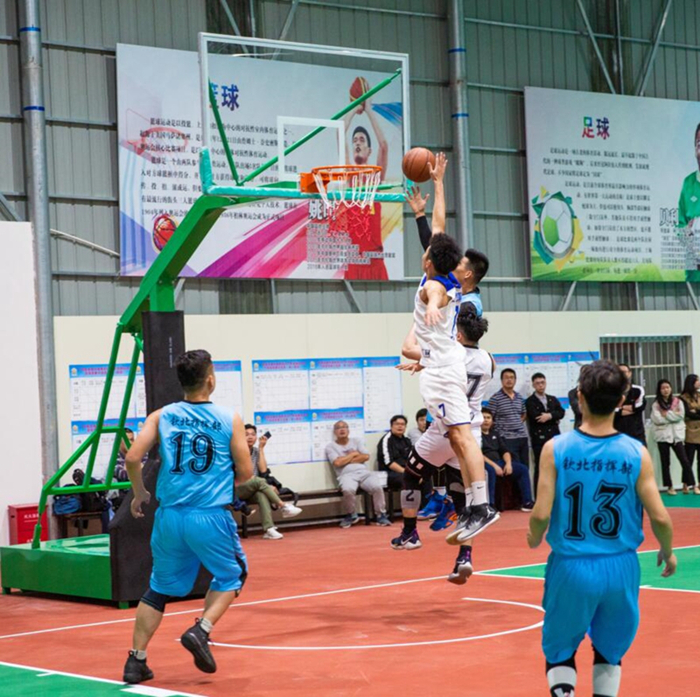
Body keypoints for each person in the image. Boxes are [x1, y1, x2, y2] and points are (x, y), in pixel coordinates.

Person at [528, 360, 676, 697]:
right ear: (622, 400)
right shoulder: (636, 452)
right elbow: (660, 517)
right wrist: (667, 551)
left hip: (571, 566)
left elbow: (540, 514)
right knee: (610, 651)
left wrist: (534, 537)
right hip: (620, 566)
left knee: (560, 650)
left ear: (579, 397)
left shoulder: (556, 448)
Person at [121, 350, 253, 685]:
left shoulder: (162, 415)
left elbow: (133, 457)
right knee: (233, 574)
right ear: (210, 380)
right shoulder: (229, 418)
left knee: (158, 588)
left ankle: (136, 660)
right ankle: (201, 630)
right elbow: (246, 473)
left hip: (169, 516)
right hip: (209, 515)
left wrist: (140, 493)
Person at [392, 307, 495, 584]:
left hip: (446, 430)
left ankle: (410, 533)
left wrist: (419, 320)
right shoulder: (489, 359)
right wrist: (425, 365)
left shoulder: (448, 354)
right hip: (472, 434)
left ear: (457, 335)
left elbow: (407, 349)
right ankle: (464, 557)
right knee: (465, 500)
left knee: (411, 474)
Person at [412, 232, 496, 541]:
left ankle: (479, 506)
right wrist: (425, 207)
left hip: (447, 376)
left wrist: (433, 307)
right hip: (445, 373)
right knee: (459, 448)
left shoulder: (438, 285)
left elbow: (435, 293)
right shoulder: (448, 282)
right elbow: (436, 231)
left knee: (461, 441)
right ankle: (469, 507)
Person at [340, 82, 390, 281]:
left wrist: (368, 109)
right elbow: (339, 134)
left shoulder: (375, 176)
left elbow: (384, 145)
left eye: (362, 140)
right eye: (355, 141)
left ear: (369, 150)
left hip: (375, 258)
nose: (357, 143)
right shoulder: (349, 173)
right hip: (354, 259)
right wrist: (354, 108)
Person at [236, 424, 302, 539]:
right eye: (246, 435)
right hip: (237, 490)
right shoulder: (237, 452)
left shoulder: (256, 451)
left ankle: (269, 529)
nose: (250, 437)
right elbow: (243, 475)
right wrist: (265, 484)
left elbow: (263, 470)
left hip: (253, 488)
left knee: (262, 494)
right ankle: (283, 506)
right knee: (259, 481)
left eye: (253, 434)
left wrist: (261, 448)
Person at [325, 421, 390, 527]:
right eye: (338, 428)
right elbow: (337, 463)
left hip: (364, 473)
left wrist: (344, 460)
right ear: (335, 432)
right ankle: (351, 514)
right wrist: (354, 454)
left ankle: (380, 515)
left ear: (348, 430)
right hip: (346, 475)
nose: (342, 429)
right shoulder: (330, 446)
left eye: (344, 427)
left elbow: (366, 456)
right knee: (348, 489)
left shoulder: (357, 441)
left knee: (377, 487)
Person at [651, 380, 699, 495]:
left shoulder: (677, 401)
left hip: (676, 436)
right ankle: (669, 486)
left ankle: (692, 484)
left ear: (671, 388)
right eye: (663, 388)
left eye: (667, 387)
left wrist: (666, 414)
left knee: (685, 461)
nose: (666, 390)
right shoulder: (656, 404)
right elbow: (657, 419)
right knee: (665, 462)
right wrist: (673, 414)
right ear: (659, 390)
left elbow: (681, 416)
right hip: (662, 436)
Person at [480, 407, 534, 511]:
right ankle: (491, 505)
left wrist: (508, 464)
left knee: (522, 469)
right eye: (483, 418)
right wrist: (495, 466)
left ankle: (527, 502)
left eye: (488, 418)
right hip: (485, 463)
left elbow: (505, 451)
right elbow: (479, 454)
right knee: (491, 471)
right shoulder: (476, 435)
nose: (486, 420)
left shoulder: (495, 434)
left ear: (492, 421)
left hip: (500, 462)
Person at [526, 372, 566, 493]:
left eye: (542, 382)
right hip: (539, 439)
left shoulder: (552, 399)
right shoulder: (530, 401)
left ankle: (557, 494)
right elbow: (536, 417)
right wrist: (554, 418)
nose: (540, 385)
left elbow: (561, 412)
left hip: (554, 437)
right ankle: (539, 496)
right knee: (540, 467)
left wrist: (549, 416)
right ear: (533, 385)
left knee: (557, 466)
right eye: (537, 383)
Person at [488, 368, 530, 467]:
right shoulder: (495, 398)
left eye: (512, 377)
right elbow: (490, 417)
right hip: (506, 438)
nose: (509, 380)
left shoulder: (519, 397)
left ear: (515, 380)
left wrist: (516, 422)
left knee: (525, 466)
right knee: (514, 468)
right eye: (506, 378)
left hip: (522, 437)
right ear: (501, 380)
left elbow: (524, 414)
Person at [676, 122, 700, 280]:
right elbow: (679, 227)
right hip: (694, 275)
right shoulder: (688, 183)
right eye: (699, 144)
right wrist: (688, 232)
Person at [376, 415, 413, 492]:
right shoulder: (386, 440)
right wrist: (407, 473)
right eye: (397, 424)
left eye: (402, 424)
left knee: (424, 477)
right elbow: (389, 463)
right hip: (389, 473)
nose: (400, 426)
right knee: (407, 479)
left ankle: (426, 499)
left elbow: (412, 458)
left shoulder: (407, 441)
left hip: (405, 471)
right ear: (391, 426)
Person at [613, 363, 647, 445]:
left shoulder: (638, 389)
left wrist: (621, 408)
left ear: (630, 373)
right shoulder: (611, 391)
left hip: (636, 433)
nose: (622, 374)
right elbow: (609, 409)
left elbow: (640, 406)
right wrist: (621, 411)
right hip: (617, 434)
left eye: (624, 372)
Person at [680, 373, 700, 483]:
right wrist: (695, 413)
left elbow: (693, 412)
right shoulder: (683, 398)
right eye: (697, 380)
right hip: (690, 430)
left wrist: (695, 412)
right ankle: (686, 483)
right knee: (688, 459)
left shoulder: (699, 395)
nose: (699, 382)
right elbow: (687, 413)